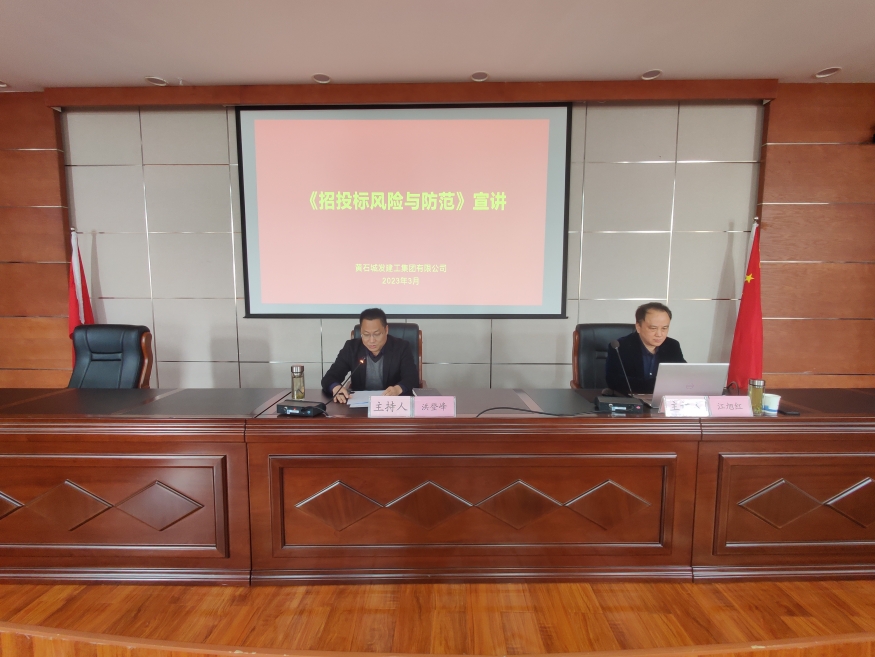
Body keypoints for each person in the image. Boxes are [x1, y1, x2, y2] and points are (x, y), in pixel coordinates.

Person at [321, 307, 420, 404]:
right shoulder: (351, 348)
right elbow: (329, 378)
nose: (372, 340)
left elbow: (412, 378)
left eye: (377, 334)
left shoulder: (401, 347)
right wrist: (335, 387)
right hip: (359, 407)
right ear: (361, 332)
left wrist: (398, 389)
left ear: (386, 330)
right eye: (366, 334)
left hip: (391, 405)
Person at [605, 302, 686, 395]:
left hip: (663, 400)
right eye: (653, 328)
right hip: (630, 400)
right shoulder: (620, 347)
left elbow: (682, 375)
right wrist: (656, 385)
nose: (659, 334)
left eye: (664, 328)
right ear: (638, 326)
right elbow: (613, 381)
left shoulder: (672, 346)